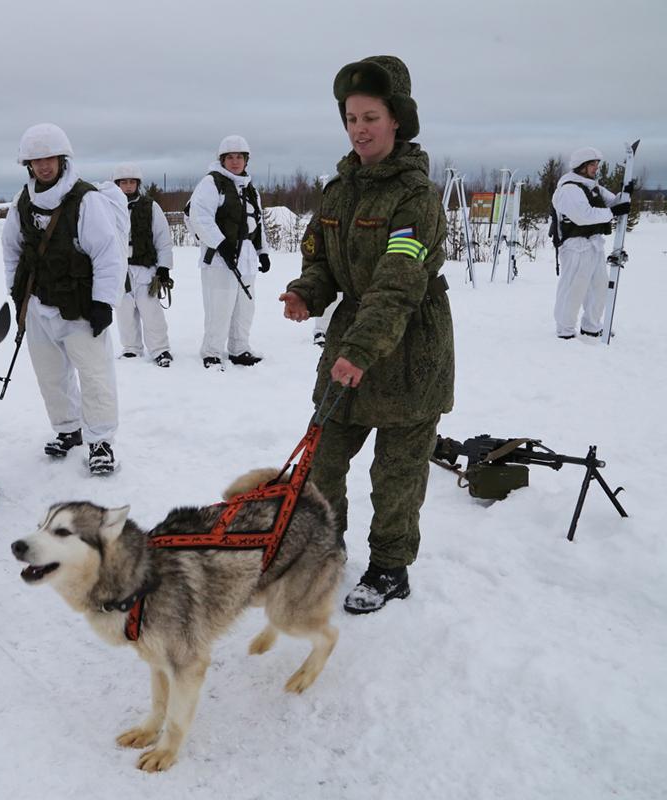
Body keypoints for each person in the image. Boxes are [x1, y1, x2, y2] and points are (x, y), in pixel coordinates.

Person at [279, 55, 454, 614]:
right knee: (323, 459)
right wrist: (307, 292)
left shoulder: (416, 198)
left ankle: (389, 568)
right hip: (350, 343)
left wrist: (358, 349)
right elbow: (323, 261)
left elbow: (398, 285)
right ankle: (325, 552)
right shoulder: (338, 191)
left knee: (396, 472)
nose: (359, 127)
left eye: (371, 116)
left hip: (409, 354)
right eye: (351, 117)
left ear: (397, 120)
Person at [2, 123, 127, 475]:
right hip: (39, 305)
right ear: (29, 165)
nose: (43, 166)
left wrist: (104, 303)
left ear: (61, 158)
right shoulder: (22, 204)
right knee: (50, 375)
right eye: (36, 161)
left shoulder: (85, 200)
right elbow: (12, 251)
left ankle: (100, 441)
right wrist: (17, 296)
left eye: (49, 159)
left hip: (80, 307)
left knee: (94, 374)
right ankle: (67, 429)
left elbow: (107, 254)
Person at [187, 135, 271, 370]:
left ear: (246, 160)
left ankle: (239, 348)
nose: (235, 162)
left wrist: (262, 251)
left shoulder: (250, 188)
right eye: (230, 157)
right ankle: (212, 352)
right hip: (219, 258)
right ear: (222, 160)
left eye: (240, 157)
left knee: (245, 306)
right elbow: (200, 216)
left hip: (246, 256)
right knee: (219, 306)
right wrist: (220, 243)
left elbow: (258, 222)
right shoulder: (212, 183)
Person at [551, 147, 632, 339]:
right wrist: (612, 213)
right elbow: (583, 216)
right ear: (582, 166)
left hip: (593, 244)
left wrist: (626, 193)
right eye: (592, 164)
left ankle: (591, 326)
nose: (596, 168)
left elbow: (613, 203)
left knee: (599, 286)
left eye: (597, 164)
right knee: (574, 287)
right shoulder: (569, 189)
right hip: (575, 246)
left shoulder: (591, 186)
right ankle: (565, 329)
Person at [112, 162, 174, 367]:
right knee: (124, 312)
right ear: (117, 184)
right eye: (123, 182)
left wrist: (164, 267)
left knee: (151, 311)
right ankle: (131, 348)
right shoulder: (108, 207)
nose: (128, 186)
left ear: (137, 184)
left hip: (146, 269)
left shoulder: (150, 207)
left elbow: (163, 238)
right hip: (119, 269)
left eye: (131, 182)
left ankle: (160, 349)